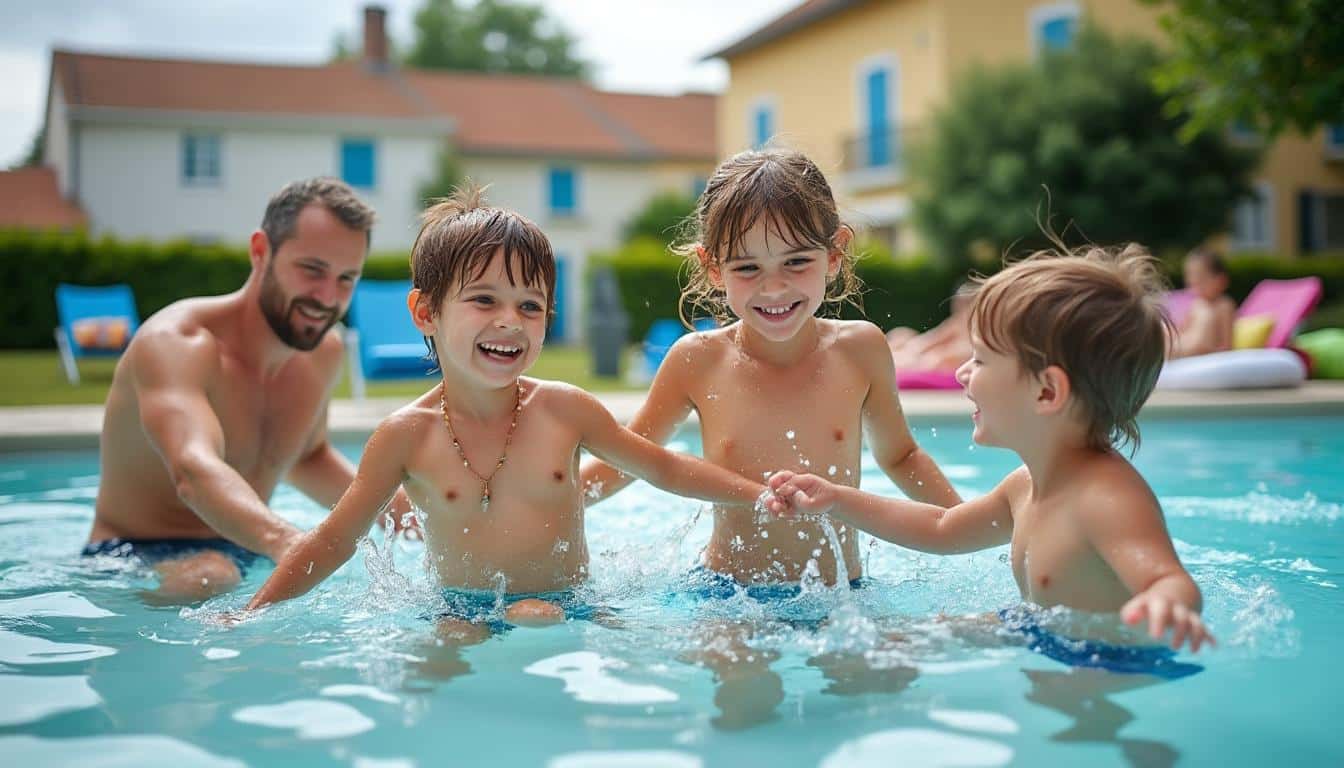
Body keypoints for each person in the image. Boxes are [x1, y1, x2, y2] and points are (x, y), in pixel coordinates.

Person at [244, 185, 771, 638]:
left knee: (541, 616)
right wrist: (252, 613)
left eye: (530, 305)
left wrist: (761, 496)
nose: (510, 322)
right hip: (455, 609)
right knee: (445, 646)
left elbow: (664, 467)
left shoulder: (565, 410)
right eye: (484, 300)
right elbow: (336, 538)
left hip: (566, 604)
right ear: (426, 312)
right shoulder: (405, 437)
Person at [580, 148, 959, 726]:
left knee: (872, 694)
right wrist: (541, 505)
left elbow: (901, 455)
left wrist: (974, 522)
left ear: (834, 255)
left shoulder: (860, 350)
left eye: (796, 262)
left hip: (843, 594)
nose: (773, 288)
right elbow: (630, 459)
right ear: (712, 269)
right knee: (744, 697)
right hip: (730, 597)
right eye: (747, 268)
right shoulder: (697, 361)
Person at [767, 244, 1215, 669]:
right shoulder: (1024, 484)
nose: (962, 372)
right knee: (880, 648)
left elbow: (1169, 579)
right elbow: (941, 529)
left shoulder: (1105, 498)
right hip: (1035, 632)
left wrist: (1165, 603)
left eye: (979, 360)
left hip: (1107, 663)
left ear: (1046, 391)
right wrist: (837, 499)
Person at [85, 178, 413, 603]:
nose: (327, 297)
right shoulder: (177, 344)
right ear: (260, 251)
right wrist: (289, 543)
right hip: (130, 556)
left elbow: (308, 458)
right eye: (312, 270)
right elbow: (193, 470)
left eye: (346, 278)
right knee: (213, 575)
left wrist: (431, 522)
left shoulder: (322, 353)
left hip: (245, 548)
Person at [887, 282, 973, 371]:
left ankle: (896, 361)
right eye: (958, 301)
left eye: (965, 303)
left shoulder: (974, 330)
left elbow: (935, 344)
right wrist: (912, 347)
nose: (958, 305)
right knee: (900, 334)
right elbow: (933, 339)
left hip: (938, 361)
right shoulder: (955, 323)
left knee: (935, 357)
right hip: (929, 355)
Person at [1169, 247, 1235, 358]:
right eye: (1190, 276)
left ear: (1221, 280)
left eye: (1201, 277)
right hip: (1186, 345)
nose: (1193, 281)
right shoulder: (1196, 304)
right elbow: (1184, 328)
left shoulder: (1224, 305)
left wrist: (1217, 355)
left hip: (1205, 351)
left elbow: (1227, 343)